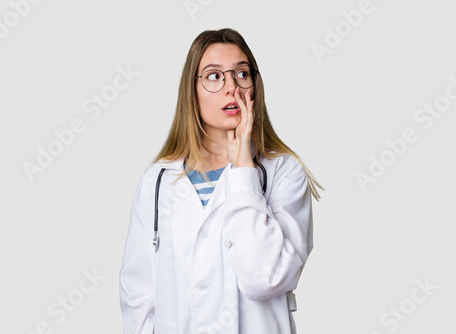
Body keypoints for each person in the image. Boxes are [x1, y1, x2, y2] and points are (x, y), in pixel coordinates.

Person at [119, 28, 323, 334]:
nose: (232, 88)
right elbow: (138, 295)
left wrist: (243, 170)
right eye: (214, 76)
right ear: (192, 90)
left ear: (255, 86)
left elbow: (265, 278)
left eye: (242, 74)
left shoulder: (283, 172)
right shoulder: (158, 181)